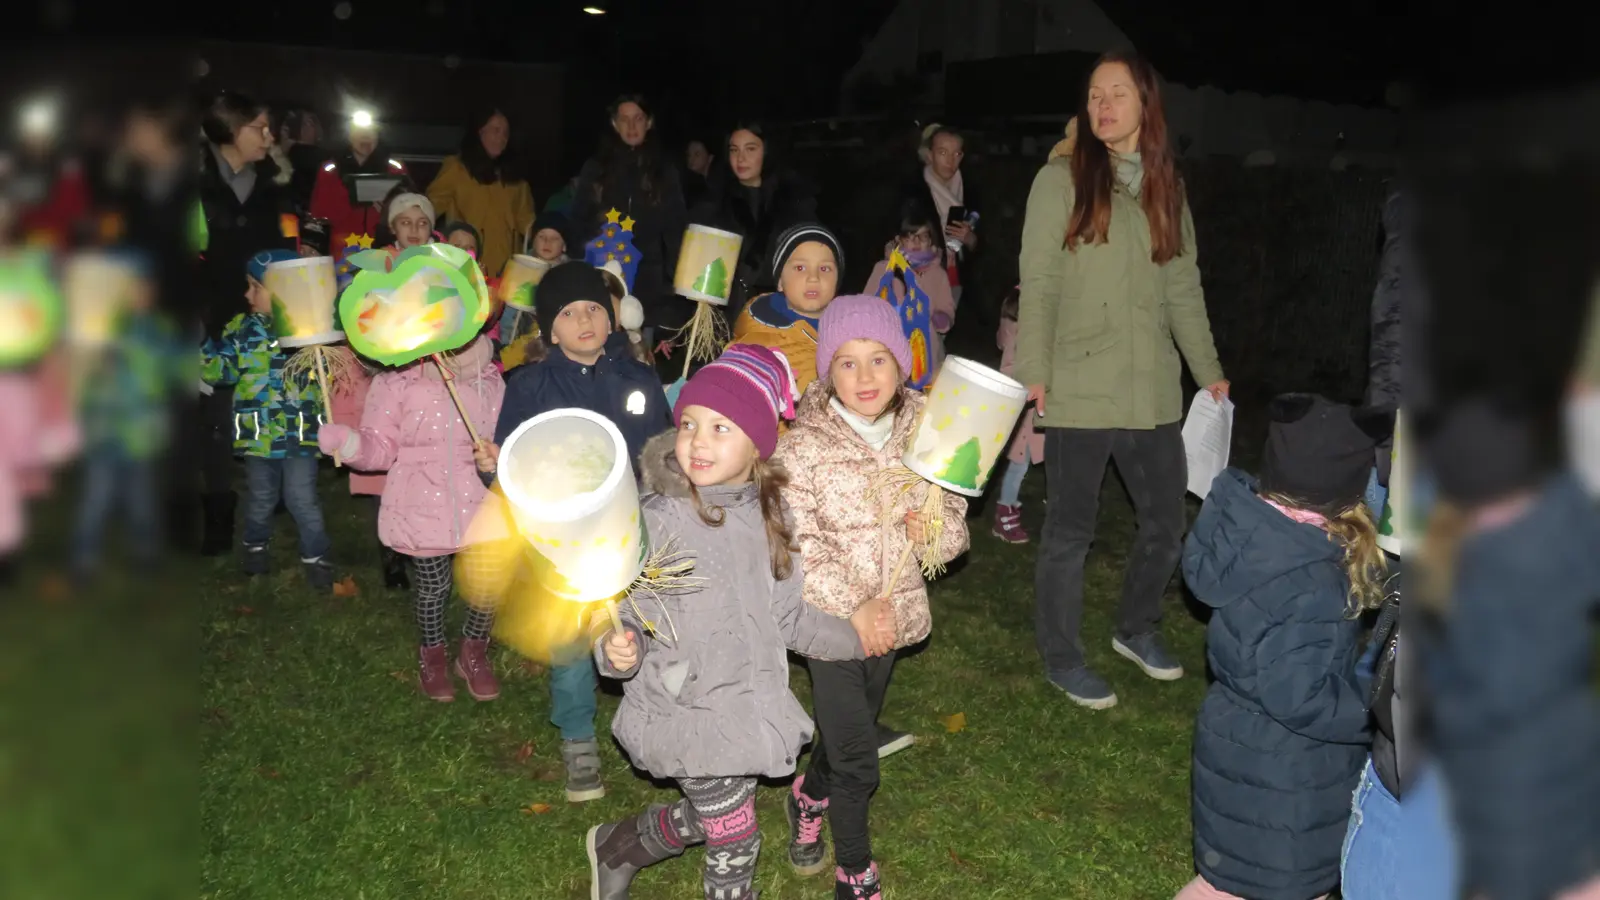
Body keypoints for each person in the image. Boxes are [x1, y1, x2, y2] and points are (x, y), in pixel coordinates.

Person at [586, 343, 886, 900]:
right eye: (690, 424)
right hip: (686, 705)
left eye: (721, 428)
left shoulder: (773, 516)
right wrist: (615, 647)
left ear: (757, 445)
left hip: (745, 704)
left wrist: (855, 640)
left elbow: (789, 617)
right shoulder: (659, 519)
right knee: (736, 836)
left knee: (716, 816)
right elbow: (626, 611)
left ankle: (619, 846)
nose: (698, 440)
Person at [1016, 50, 1227, 709]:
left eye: (1117, 94)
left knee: (1166, 524)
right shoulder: (1060, 181)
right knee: (1070, 531)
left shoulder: (1167, 187)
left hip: (1152, 386)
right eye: (1094, 95)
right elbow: (1039, 282)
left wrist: (1209, 374)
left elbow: (1184, 287)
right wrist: (1034, 370)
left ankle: (1136, 627)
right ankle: (1062, 657)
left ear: (1145, 105)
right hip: (1080, 383)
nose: (1103, 106)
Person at [776, 295, 970, 900]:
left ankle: (809, 796)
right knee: (859, 759)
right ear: (827, 371)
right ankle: (854, 871)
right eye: (847, 362)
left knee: (845, 733)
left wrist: (932, 532)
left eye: (878, 359)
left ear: (901, 364)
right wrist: (854, 607)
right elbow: (796, 544)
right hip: (830, 624)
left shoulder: (929, 433)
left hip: (895, 616)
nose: (864, 376)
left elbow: (955, 525)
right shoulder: (801, 448)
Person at [1177, 393, 1391, 900]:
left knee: (1220, 884)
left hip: (1234, 740)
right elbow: (1299, 696)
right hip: (1286, 773)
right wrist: (1376, 712)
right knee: (1291, 888)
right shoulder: (1312, 581)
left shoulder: (1249, 533)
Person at [483, 261, 671, 802]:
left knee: (640, 631)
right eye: (569, 313)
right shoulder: (530, 386)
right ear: (549, 328)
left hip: (631, 528)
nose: (585, 320)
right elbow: (514, 466)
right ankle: (577, 736)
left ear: (612, 317)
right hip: (562, 540)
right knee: (569, 642)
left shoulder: (639, 379)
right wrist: (493, 466)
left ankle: (656, 721)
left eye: (594, 308)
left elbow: (661, 448)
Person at [317, 334, 506, 702]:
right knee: (434, 585)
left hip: (481, 499)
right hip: (421, 501)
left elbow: (504, 434)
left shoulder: (489, 378)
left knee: (488, 582)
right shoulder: (396, 381)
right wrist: (350, 443)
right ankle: (432, 657)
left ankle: (473, 653)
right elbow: (380, 447)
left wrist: (499, 456)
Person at [196, 90, 298, 557]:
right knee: (210, 420)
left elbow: (282, 252)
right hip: (205, 316)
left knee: (262, 406)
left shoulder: (271, 188)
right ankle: (216, 509)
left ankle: (271, 493)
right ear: (231, 129)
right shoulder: (194, 184)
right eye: (260, 127)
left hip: (257, 320)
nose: (269, 136)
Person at [200, 249, 334, 591]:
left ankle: (316, 557)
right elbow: (219, 373)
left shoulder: (311, 332)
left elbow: (330, 376)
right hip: (259, 437)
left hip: (300, 434)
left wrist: (325, 354)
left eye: (255, 287)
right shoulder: (241, 331)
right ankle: (255, 548)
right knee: (261, 497)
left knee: (302, 498)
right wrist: (203, 344)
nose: (247, 294)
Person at [71, 263, 187, 582]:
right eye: (131, 287)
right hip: (105, 432)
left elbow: (173, 370)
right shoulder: (100, 328)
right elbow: (83, 377)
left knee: (142, 500)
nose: (139, 295)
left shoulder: (161, 330)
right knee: (96, 499)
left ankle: (146, 555)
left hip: (142, 435)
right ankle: (83, 560)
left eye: (145, 287)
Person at [571, 95, 689, 344]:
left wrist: (675, 285)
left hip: (648, 285)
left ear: (649, 122)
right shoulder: (596, 168)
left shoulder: (664, 171)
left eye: (638, 118)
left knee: (640, 353)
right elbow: (579, 220)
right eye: (624, 119)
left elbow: (675, 228)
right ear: (615, 124)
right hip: (603, 278)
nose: (632, 126)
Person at [688, 121, 818, 319]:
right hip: (730, 315)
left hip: (783, 312)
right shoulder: (713, 204)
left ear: (767, 151)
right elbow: (699, 277)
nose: (741, 158)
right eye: (734, 150)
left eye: (750, 149)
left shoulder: (794, 202)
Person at [732, 223, 844, 396]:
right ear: (780, 281)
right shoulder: (756, 342)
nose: (813, 278)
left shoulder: (851, 336)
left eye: (824, 268)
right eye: (800, 268)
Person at [426, 104, 535, 279]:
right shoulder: (457, 168)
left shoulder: (515, 178)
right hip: (467, 265)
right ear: (479, 132)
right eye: (496, 130)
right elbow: (431, 205)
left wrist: (548, 236)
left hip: (507, 270)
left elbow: (527, 222)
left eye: (506, 133)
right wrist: (411, 221)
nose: (502, 137)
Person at [863, 200, 956, 375]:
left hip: (926, 356)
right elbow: (865, 305)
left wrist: (939, 317)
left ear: (931, 240)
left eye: (923, 236)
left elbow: (947, 312)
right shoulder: (883, 268)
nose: (916, 242)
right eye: (910, 236)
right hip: (888, 352)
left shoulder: (938, 274)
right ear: (899, 240)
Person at [898, 124, 979, 313]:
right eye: (943, 152)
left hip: (958, 280)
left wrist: (971, 239)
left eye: (957, 154)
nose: (950, 160)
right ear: (929, 155)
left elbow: (984, 244)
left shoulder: (970, 192)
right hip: (921, 282)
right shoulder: (913, 194)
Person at [309, 112, 410, 256]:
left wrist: (388, 210)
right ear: (349, 135)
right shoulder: (330, 170)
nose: (365, 137)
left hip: (385, 254)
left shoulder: (395, 169)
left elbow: (410, 211)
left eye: (370, 132)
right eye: (360, 132)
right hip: (342, 254)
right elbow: (318, 214)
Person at [992, 286, 1041, 543]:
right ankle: (1005, 511)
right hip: (1023, 409)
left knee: (1023, 462)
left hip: (1030, 408)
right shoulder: (1019, 334)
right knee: (1019, 464)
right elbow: (1010, 367)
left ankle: (1010, 504)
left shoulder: (1014, 329)